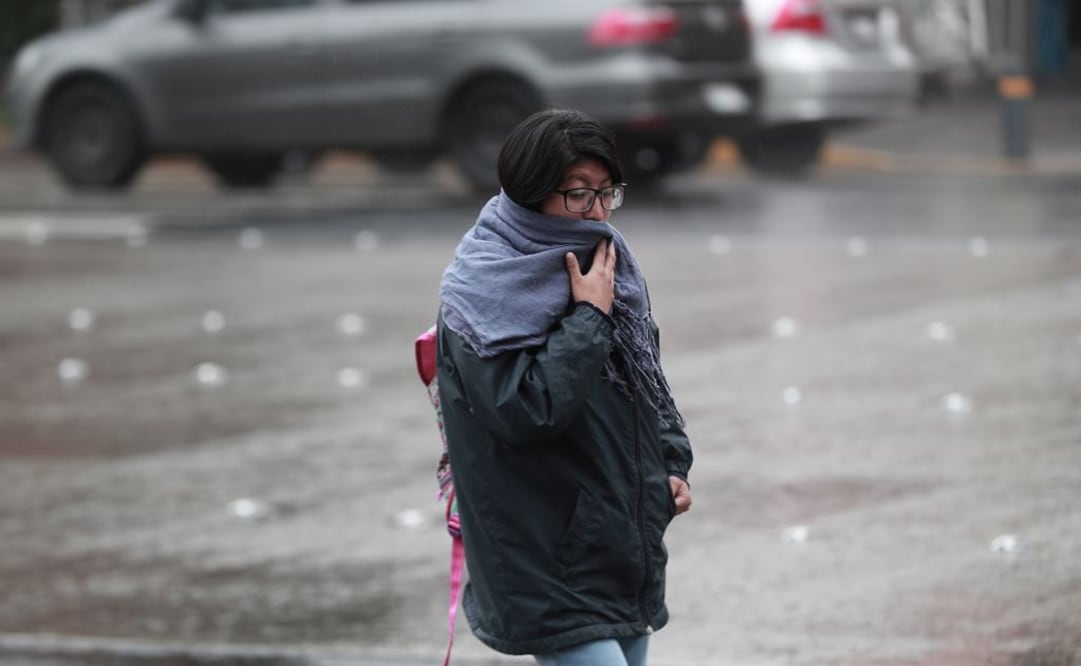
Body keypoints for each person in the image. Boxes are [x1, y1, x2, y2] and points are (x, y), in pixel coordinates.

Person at [435, 108, 693, 666]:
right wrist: (587, 319)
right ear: (531, 193)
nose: (597, 213)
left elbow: (645, 385)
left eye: (607, 193)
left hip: (615, 543)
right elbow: (525, 410)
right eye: (578, 195)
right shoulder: (484, 287)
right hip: (545, 554)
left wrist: (671, 465)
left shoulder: (607, 263)